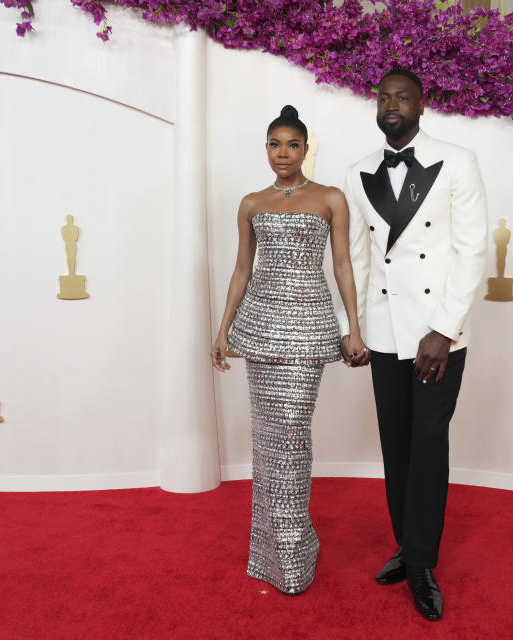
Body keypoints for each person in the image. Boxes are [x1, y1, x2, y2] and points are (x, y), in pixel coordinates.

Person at [338, 68, 488, 621]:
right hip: (382, 330)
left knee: (428, 442)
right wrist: (350, 326)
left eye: (402, 97)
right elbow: (354, 257)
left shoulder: (458, 160)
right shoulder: (356, 173)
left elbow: (472, 252)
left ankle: (422, 562)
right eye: (383, 97)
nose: (391, 105)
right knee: (395, 442)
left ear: (422, 105)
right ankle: (407, 543)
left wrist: (444, 329)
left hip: (437, 336)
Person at [210, 105, 366, 595]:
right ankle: (269, 557)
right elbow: (241, 270)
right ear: (267, 148)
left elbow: (343, 266)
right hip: (259, 330)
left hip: (307, 330)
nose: (283, 153)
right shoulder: (251, 203)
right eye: (275, 144)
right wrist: (223, 329)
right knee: (267, 440)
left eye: (293, 145)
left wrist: (353, 329)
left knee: (292, 433)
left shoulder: (331, 199)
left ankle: (296, 551)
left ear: (306, 148)